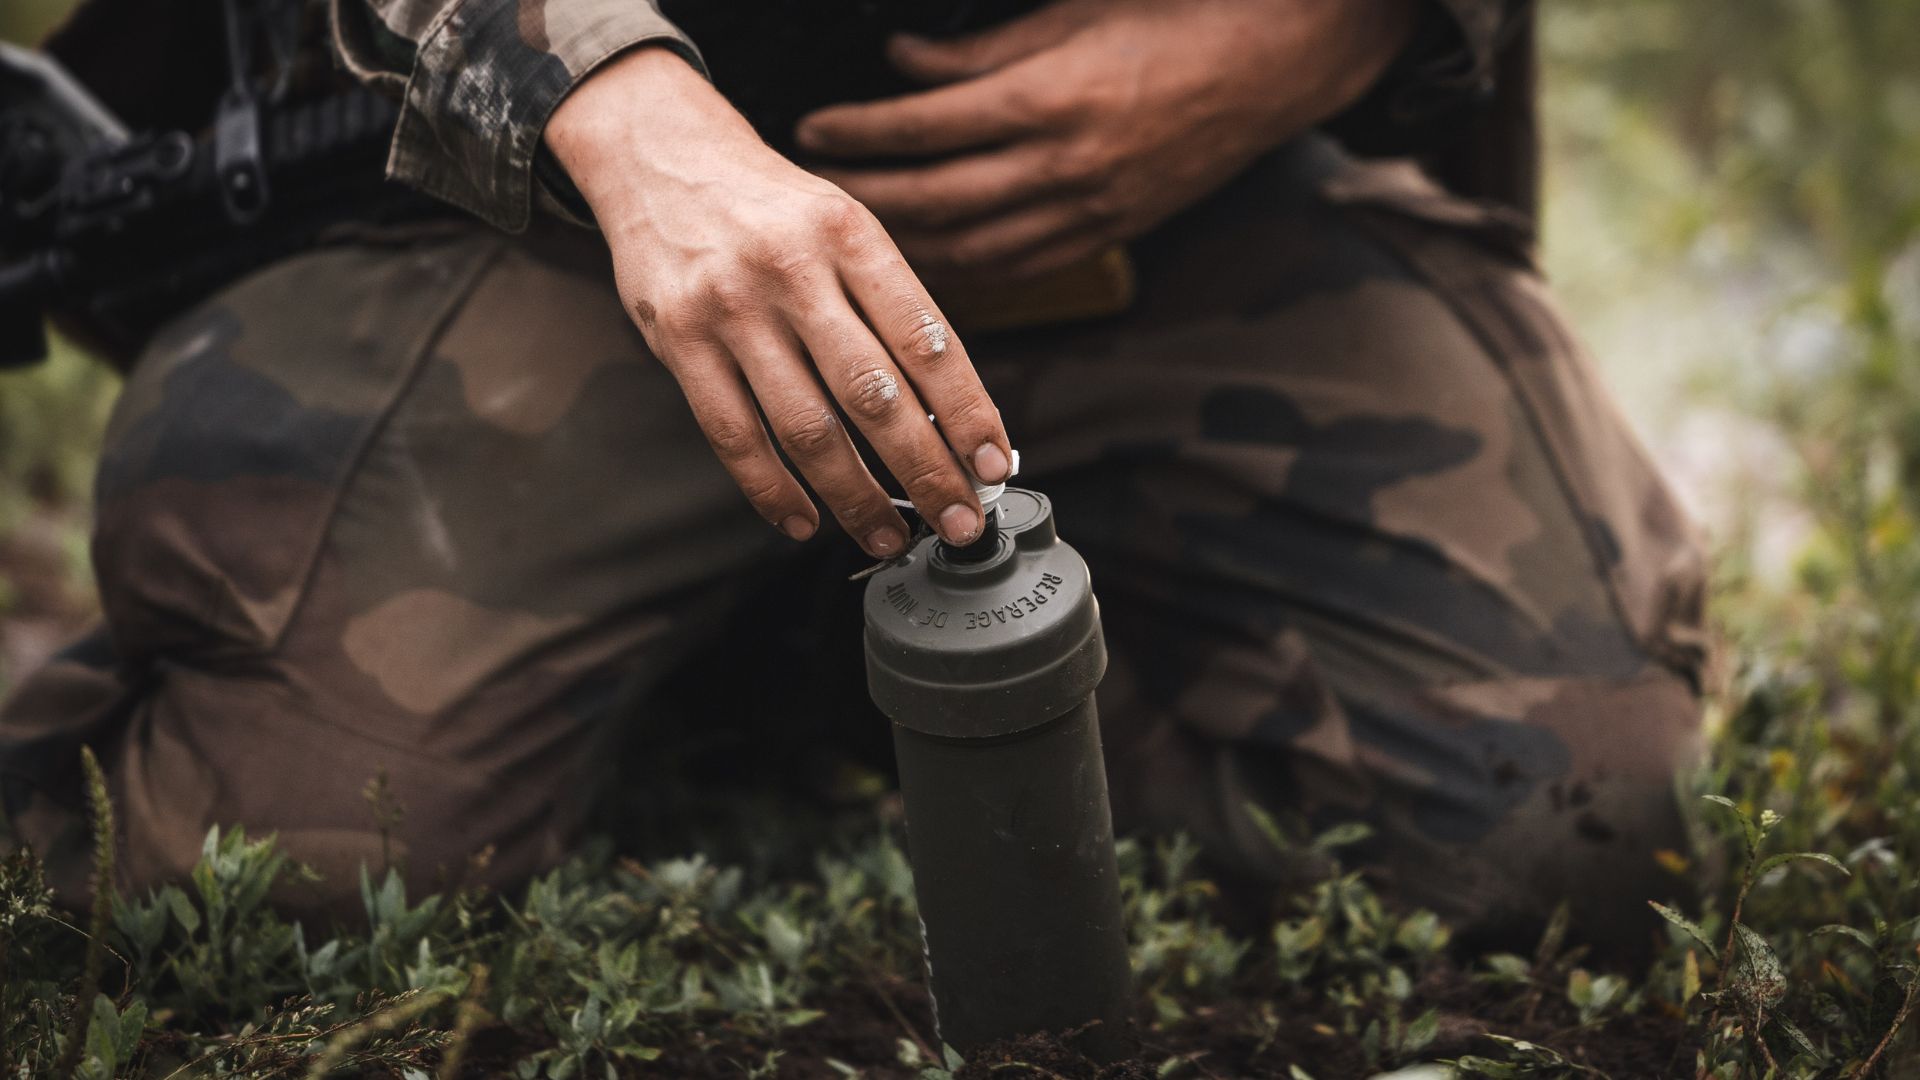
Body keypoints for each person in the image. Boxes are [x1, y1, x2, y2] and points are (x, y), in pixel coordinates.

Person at [0, 0, 1706, 954]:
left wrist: (1334, 28)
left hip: (1192, 203)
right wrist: (617, 109)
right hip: (558, 224)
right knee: (283, 872)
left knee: (1574, 825)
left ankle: (850, 651)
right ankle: (706, 648)